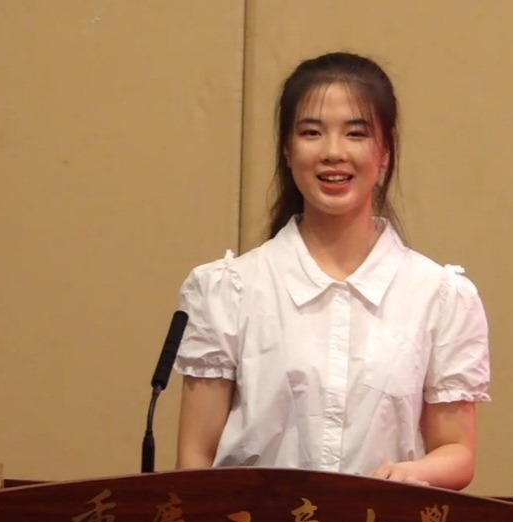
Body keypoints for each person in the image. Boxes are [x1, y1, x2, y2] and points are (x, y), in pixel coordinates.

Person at [172, 51, 490, 490]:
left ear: (385, 151)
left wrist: (409, 474)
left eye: (356, 133)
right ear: (288, 150)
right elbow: (195, 457)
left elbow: (456, 451)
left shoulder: (440, 296)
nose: (333, 152)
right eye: (311, 133)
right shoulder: (229, 290)